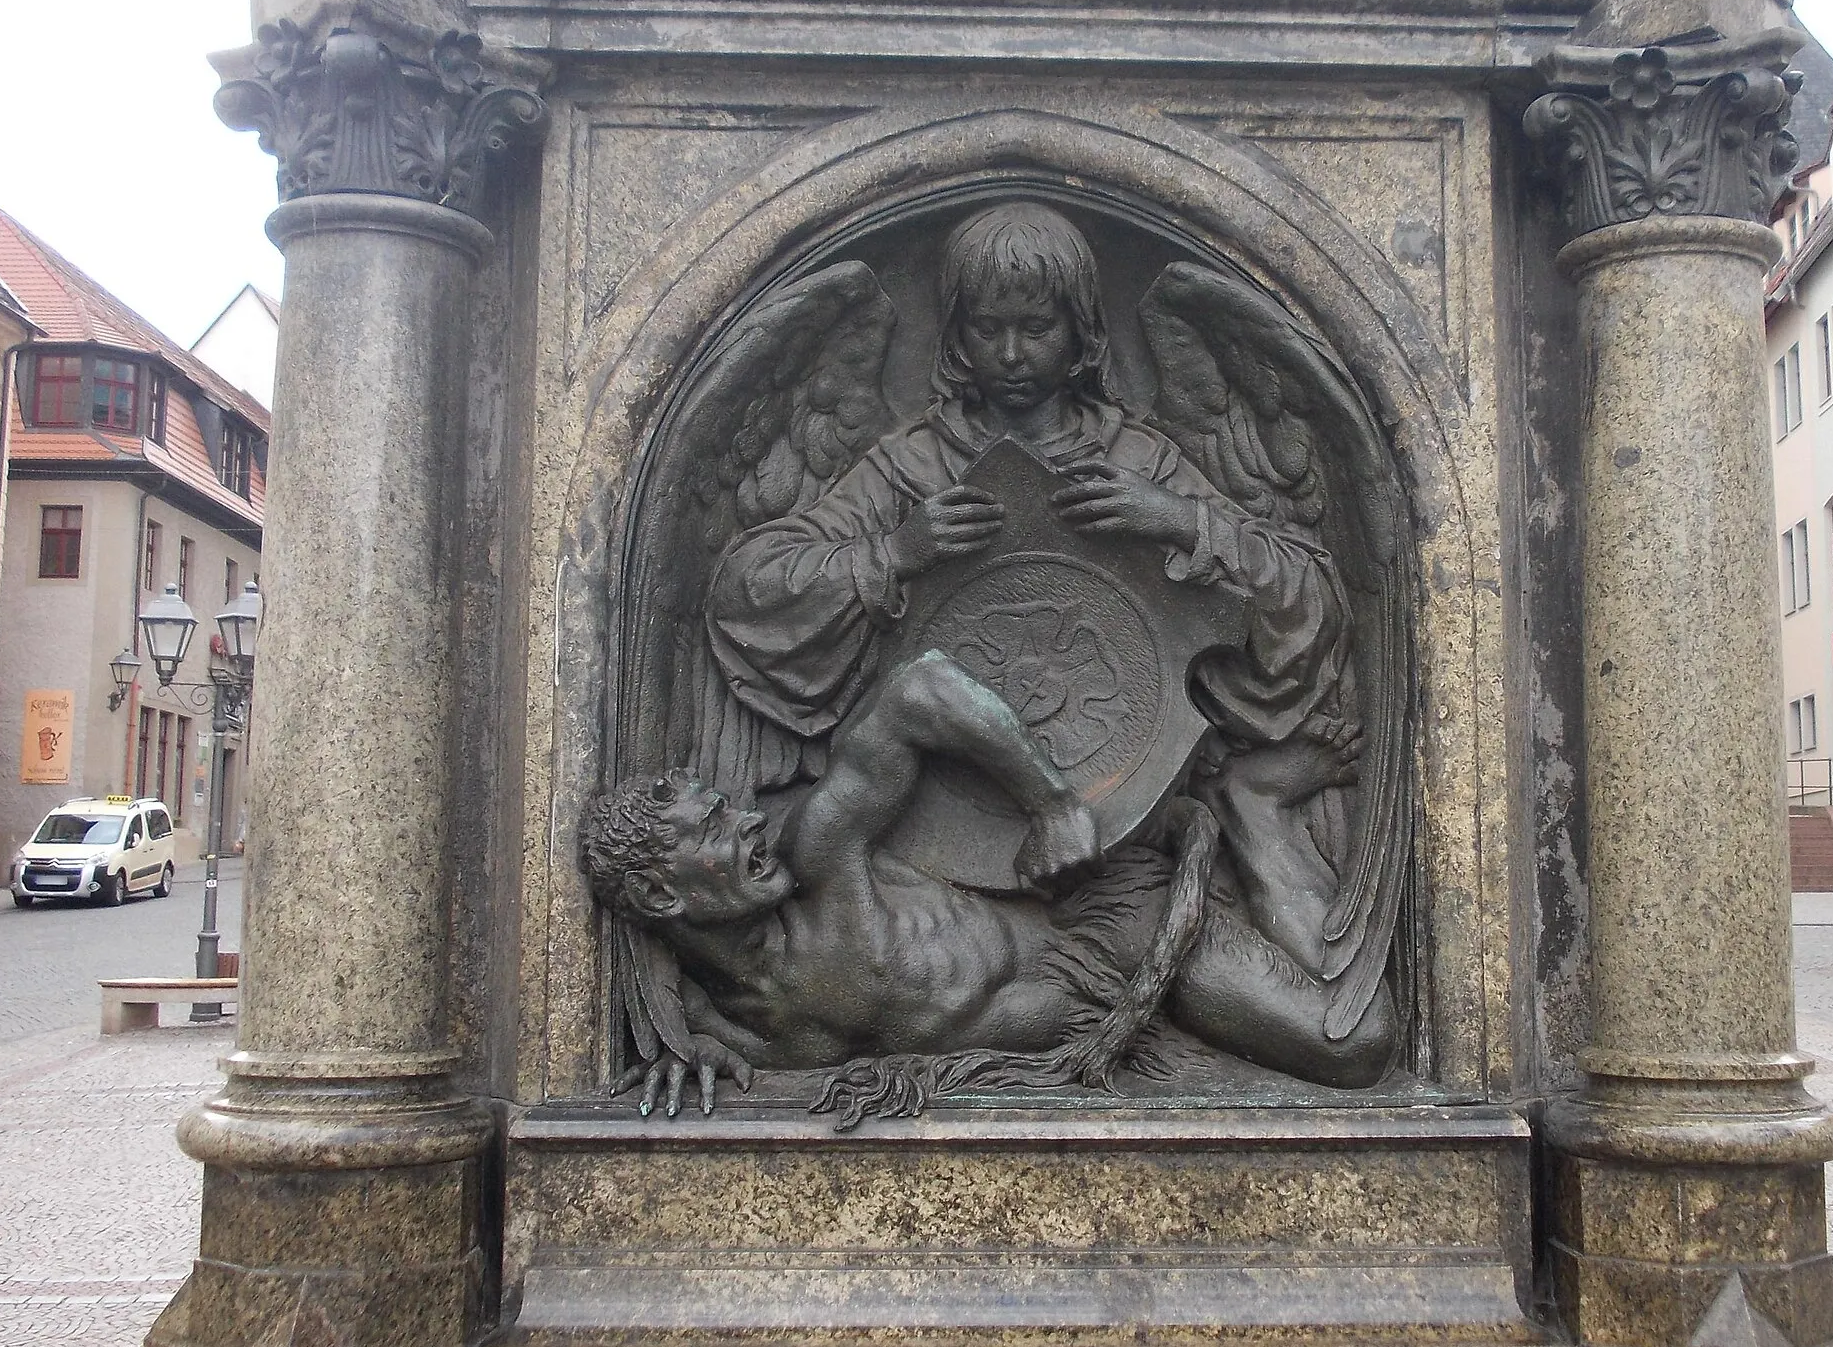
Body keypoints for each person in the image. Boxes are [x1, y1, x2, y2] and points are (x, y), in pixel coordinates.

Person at [705, 204, 1358, 949]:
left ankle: (1248, 812)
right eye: (988, 329)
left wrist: (1182, 520)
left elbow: (1309, 596)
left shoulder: (1141, 463)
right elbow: (747, 587)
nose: (1012, 354)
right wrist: (890, 553)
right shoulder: (910, 466)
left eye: (1037, 329)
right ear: (955, 334)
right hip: (940, 841)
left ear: (1081, 331)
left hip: (1122, 830)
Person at [583, 652, 1397, 1109]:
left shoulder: (820, 853)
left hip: (1107, 930)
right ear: (661, 897)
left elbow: (919, 688)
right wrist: (672, 1060)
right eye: (718, 830)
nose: (753, 820)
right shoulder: (718, 1029)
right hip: (1083, 1027)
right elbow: (690, 1059)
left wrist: (1050, 804)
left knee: (1353, 1046)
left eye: (731, 808)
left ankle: (1251, 807)